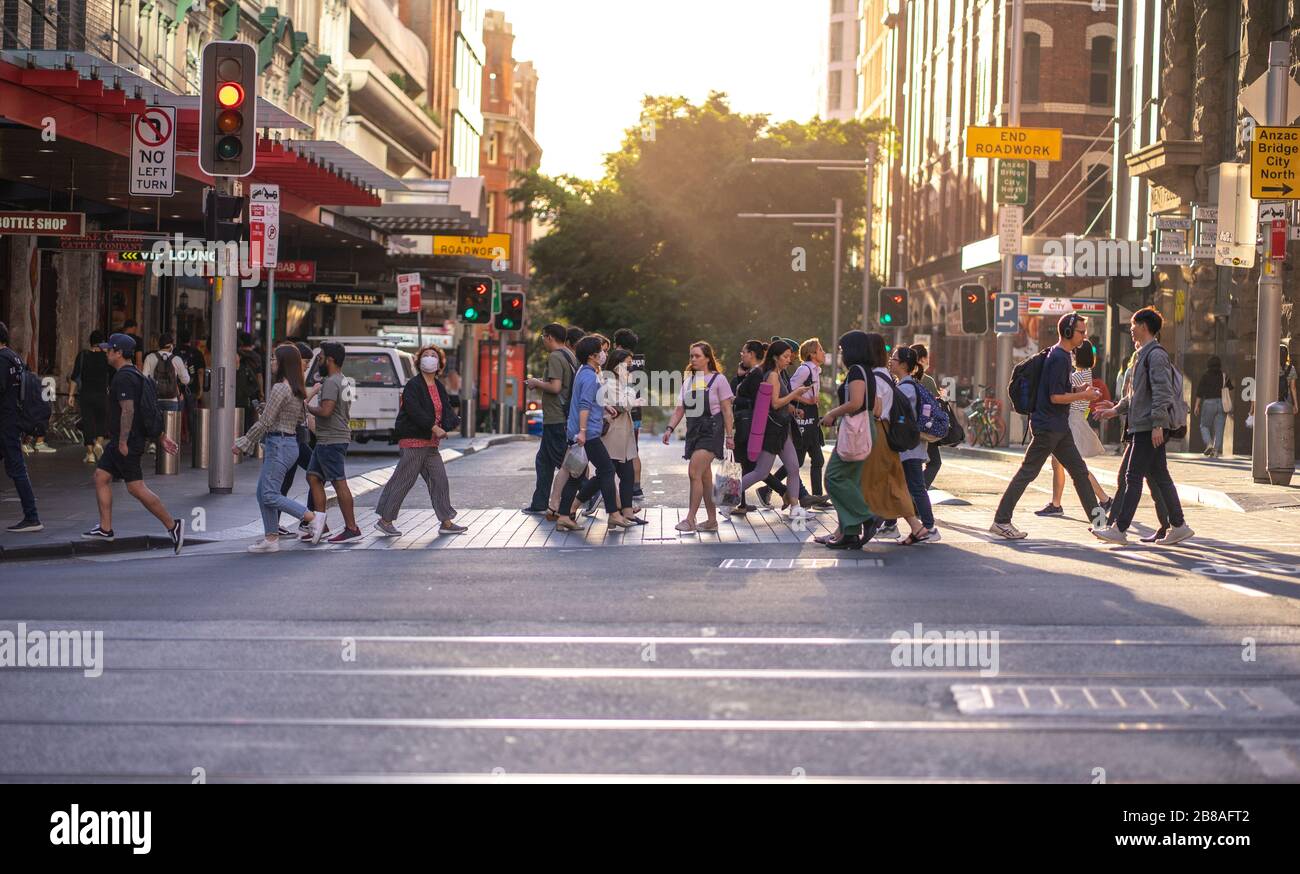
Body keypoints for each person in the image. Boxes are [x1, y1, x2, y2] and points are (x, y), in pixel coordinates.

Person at [989, 313, 1104, 540]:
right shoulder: (1060, 357)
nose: (1085, 336)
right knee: (1028, 472)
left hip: (1058, 427)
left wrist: (1080, 392)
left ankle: (1100, 524)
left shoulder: (1061, 355)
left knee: (1079, 472)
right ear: (1069, 332)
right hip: (1049, 426)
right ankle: (1001, 520)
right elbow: (1054, 397)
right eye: (1081, 332)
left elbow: (1059, 391)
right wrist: (1083, 394)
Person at [1092, 307, 1194, 545]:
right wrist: (1114, 410)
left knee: (1132, 476)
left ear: (1144, 327)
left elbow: (1163, 392)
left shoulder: (1155, 355)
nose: (1130, 328)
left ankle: (1120, 529)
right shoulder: (1143, 354)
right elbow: (1135, 396)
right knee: (1160, 475)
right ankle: (1178, 525)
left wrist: (1158, 424)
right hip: (1144, 425)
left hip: (1148, 427)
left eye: (1133, 324)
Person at [81, 333, 184, 552]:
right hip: (125, 439)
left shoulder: (124, 378)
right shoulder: (134, 374)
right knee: (101, 476)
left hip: (127, 441)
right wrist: (161, 437)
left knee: (136, 488)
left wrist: (123, 442)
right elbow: (145, 411)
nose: (106, 352)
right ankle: (105, 529)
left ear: (118, 353)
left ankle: (173, 525)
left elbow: (129, 410)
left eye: (109, 349)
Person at [233, 343, 326, 553]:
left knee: (268, 494)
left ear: (284, 363)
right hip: (288, 443)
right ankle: (271, 537)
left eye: (274, 359)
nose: (272, 362)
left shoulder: (280, 388)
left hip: (279, 444)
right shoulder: (296, 388)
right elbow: (298, 417)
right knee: (263, 493)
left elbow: (265, 422)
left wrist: (244, 442)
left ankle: (312, 518)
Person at [374, 345, 467, 537]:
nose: (430, 358)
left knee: (439, 480)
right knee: (403, 480)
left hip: (431, 444)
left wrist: (452, 423)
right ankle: (385, 520)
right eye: (426, 355)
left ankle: (446, 522)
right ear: (419, 361)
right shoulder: (413, 385)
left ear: (439, 363)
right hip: (414, 442)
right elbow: (415, 411)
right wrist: (434, 428)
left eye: (434, 356)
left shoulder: (438, 386)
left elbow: (446, 410)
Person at [556, 335, 636, 531]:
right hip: (588, 433)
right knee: (607, 470)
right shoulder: (590, 376)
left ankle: (564, 516)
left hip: (583, 431)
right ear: (592, 355)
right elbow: (584, 405)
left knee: (576, 475)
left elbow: (590, 400)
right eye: (602, 351)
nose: (604, 354)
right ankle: (614, 514)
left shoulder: (585, 372)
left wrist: (604, 407)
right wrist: (582, 432)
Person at [662, 341, 735, 533]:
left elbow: (727, 411)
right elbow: (680, 410)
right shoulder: (688, 381)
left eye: (697, 356)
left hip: (712, 431)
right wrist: (670, 428)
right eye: (691, 356)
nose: (693, 359)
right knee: (703, 477)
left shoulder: (719, 380)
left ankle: (690, 519)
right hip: (693, 432)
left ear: (708, 358)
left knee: (694, 472)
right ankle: (711, 521)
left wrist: (730, 436)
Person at [1036, 340, 1112, 517]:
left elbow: (1060, 390)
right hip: (1073, 421)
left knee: (1076, 467)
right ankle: (1056, 503)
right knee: (1060, 465)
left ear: (1078, 356)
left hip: (1071, 422)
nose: (1070, 355)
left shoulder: (1078, 376)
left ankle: (1105, 499)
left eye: (1073, 353)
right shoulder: (1085, 373)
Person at [819, 330, 878, 550]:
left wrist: (833, 413)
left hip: (857, 429)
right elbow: (875, 404)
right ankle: (850, 534)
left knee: (834, 477)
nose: (841, 353)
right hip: (864, 427)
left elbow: (855, 402)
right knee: (850, 480)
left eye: (842, 349)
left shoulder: (856, 371)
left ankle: (866, 516)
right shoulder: (867, 371)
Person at [737, 340, 805, 513]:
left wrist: (791, 407)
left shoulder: (776, 373)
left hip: (781, 429)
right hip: (774, 431)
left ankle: (795, 507)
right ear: (775, 357)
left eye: (789, 357)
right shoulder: (772, 375)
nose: (789, 360)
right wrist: (795, 394)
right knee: (761, 472)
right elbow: (774, 404)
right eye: (785, 356)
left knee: (794, 467)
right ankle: (727, 496)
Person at [305, 341, 361, 543]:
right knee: (313, 477)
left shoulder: (330, 382)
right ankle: (321, 525)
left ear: (330, 360)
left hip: (332, 439)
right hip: (328, 439)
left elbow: (326, 411)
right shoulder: (344, 380)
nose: (318, 361)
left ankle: (352, 528)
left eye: (320, 358)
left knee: (339, 483)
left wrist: (307, 408)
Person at [522, 323, 577, 516]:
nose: (543, 341)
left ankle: (590, 492)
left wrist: (536, 383)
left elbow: (555, 387)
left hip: (556, 417)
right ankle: (539, 502)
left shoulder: (555, 356)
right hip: (560, 416)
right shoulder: (570, 354)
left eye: (543, 337)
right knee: (543, 461)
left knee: (566, 463)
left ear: (550, 337)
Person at [771, 338, 831, 509]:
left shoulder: (816, 370)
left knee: (817, 459)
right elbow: (790, 390)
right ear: (812, 354)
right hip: (803, 417)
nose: (823, 352)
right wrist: (807, 400)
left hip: (811, 417)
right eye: (820, 349)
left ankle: (818, 498)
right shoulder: (805, 370)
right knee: (797, 460)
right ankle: (770, 487)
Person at [889, 346, 939, 542]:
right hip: (911, 446)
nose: (890, 361)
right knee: (903, 487)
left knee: (916, 488)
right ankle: (892, 525)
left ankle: (928, 527)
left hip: (909, 447)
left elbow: (903, 419)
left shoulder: (906, 388)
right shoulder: (907, 385)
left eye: (894, 358)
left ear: (903, 364)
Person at [0, 322, 41, 532]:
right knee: (16, 467)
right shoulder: (14, 357)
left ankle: (32, 516)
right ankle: (31, 515)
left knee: (17, 468)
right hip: (12, 419)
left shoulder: (2, 359)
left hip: (6, 422)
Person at [601, 349, 647, 525]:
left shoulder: (617, 380)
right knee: (603, 476)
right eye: (626, 364)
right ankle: (573, 506)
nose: (628, 369)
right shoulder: (609, 380)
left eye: (629, 365)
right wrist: (629, 391)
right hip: (612, 434)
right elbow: (623, 405)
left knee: (627, 475)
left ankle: (627, 512)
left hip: (623, 434)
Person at [613, 328, 645, 499]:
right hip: (637, 411)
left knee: (623, 452)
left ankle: (629, 486)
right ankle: (636, 487)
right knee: (634, 450)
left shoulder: (622, 364)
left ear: (618, 345)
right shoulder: (638, 362)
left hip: (625, 411)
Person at [70, 330, 111, 464]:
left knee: (88, 422)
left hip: (86, 394)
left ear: (90, 342)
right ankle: (99, 443)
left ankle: (90, 454)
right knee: (101, 421)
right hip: (102, 394)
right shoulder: (107, 357)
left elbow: (75, 377)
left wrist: (71, 395)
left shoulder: (82, 355)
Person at [912, 344, 944, 488]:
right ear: (923, 359)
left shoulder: (903, 378)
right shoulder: (927, 380)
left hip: (907, 427)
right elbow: (936, 404)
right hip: (926, 427)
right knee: (935, 462)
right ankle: (918, 492)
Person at [1194, 356, 1233, 458]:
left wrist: (1196, 405)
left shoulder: (1205, 376)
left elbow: (1199, 392)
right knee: (1219, 429)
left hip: (1209, 403)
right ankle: (1215, 451)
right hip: (1222, 404)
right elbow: (1230, 388)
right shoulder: (1224, 376)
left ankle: (1209, 444)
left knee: (1204, 425)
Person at [142, 333, 190, 413]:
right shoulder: (177, 359)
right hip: (172, 399)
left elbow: (144, 379)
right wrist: (184, 368)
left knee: (156, 425)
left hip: (155, 398)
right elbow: (186, 381)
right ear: (171, 345)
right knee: (171, 425)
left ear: (159, 345)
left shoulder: (149, 357)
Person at [172, 331, 206, 444]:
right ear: (190, 339)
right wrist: (201, 389)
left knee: (178, 414)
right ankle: (193, 438)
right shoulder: (196, 353)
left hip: (177, 389)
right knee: (192, 414)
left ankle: (176, 436)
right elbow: (200, 372)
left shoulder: (175, 352)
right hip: (192, 388)